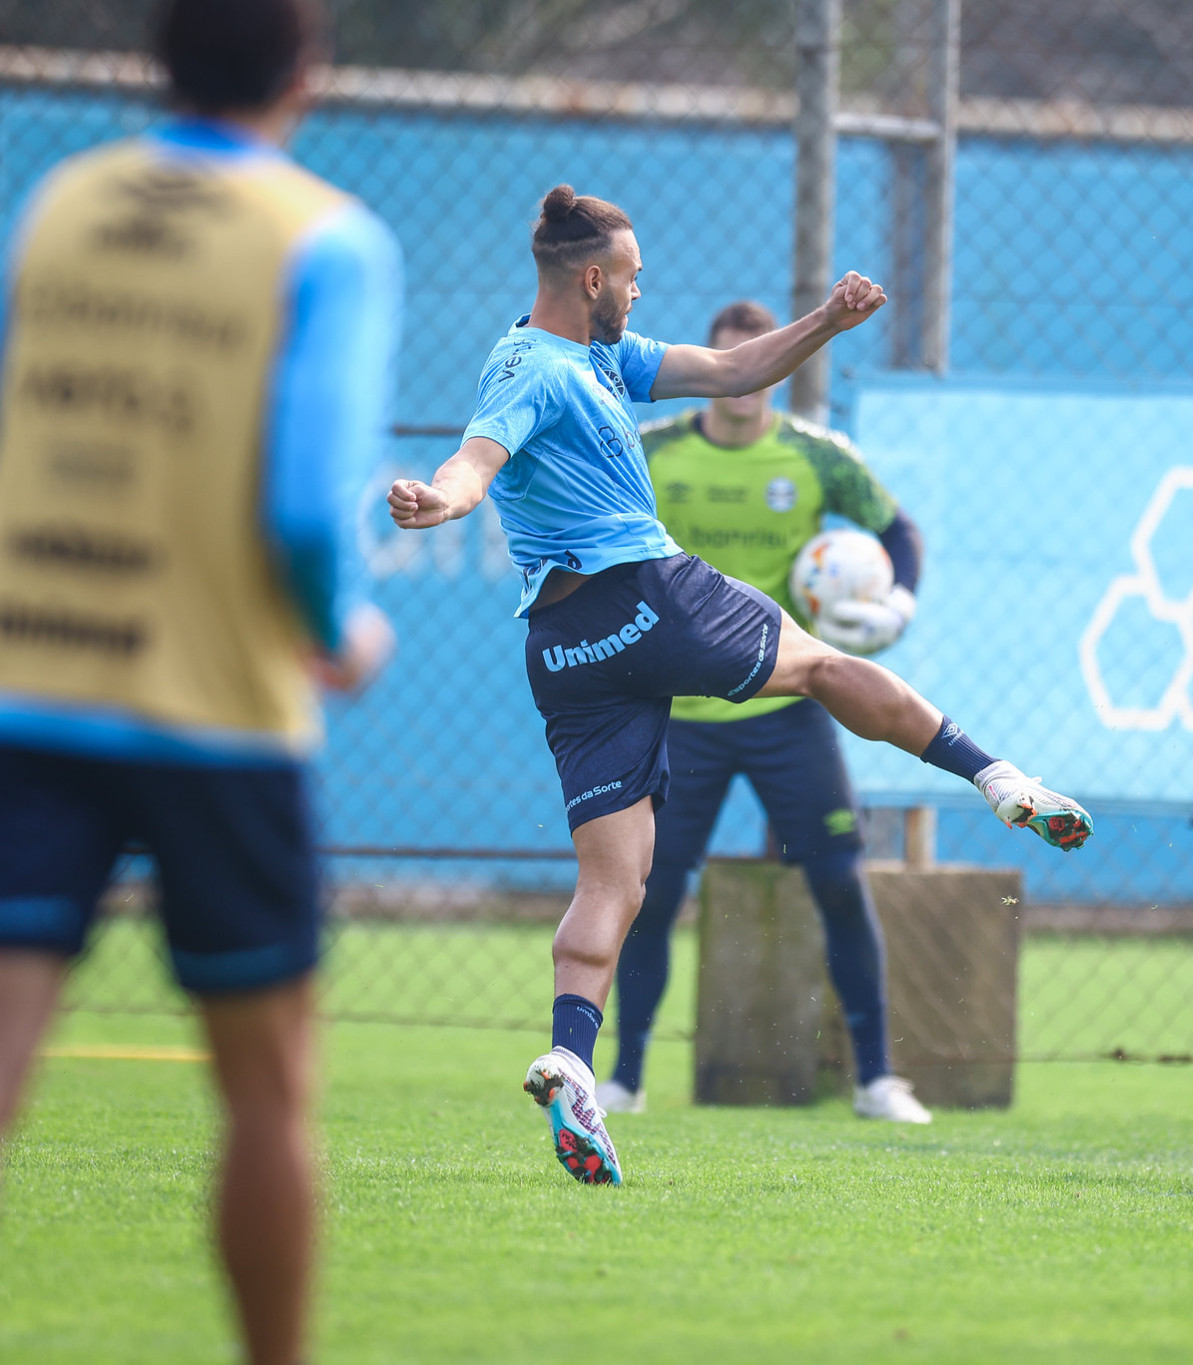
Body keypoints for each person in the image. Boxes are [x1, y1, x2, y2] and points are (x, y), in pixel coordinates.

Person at [386, 190, 1091, 1185]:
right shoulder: (536, 370)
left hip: (565, 647)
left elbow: (728, 367)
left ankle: (573, 1064)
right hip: (643, 592)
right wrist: (439, 498)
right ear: (593, 280)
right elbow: (474, 460)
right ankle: (1000, 778)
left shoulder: (596, 354)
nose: (640, 289)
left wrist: (827, 323)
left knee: (614, 881)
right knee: (822, 666)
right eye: (631, 276)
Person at [0, 0, 402, 1360]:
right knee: (267, 1094)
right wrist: (340, 628)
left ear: (153, 58)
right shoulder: (325, 239)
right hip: (216, 712)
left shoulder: (59, 203)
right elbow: (301, 506)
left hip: (31, 680)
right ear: (308, 70)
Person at [598, 300, 931, 1124]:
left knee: (839, 882)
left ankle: (877, 1079)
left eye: (758, 358)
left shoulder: (817, 459)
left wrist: (896, 609)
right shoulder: (655, 454)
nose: (742, 379)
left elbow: (901, 534)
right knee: (649, 886)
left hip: (788, 706)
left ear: (778, 368)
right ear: (710, 369)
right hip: (682, 718)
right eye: (726, 360)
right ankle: (625, 1077)